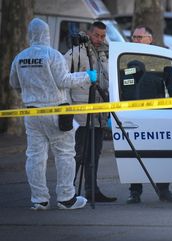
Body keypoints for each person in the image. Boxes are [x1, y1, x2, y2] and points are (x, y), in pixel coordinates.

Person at [9, 18, 95, 210]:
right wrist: (86, 76)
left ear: (30, 34)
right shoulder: (53, 55)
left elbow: (14, 83)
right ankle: (66, 198)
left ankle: (39, 199)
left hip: (31, 113)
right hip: (56, 111)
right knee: (64, 154)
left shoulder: (20, 57)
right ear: (47, 34)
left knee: (35, 157)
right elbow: (64, 80)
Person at [126, 26, 172, 203]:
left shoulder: (160, 58)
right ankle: (135, 192)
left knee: (161, 152)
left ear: (150, 39)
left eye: (140, 37)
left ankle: (163, 190)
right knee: (135, 154)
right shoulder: (126, 58)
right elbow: (122, 84)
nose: (136, 40)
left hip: (158, 113)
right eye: (134, 37)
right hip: (133, 113)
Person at [64, 21, 116, 202]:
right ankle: (67, 192)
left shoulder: (106, 54)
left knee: (95, 154)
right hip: (81, 114)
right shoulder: (75, 53)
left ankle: (92, 190)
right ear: (89, 33)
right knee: (78, 154)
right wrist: (67, 109)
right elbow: (63, 80)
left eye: (102, 36)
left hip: (100, 113)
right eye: (96, 35)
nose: (99, 39)